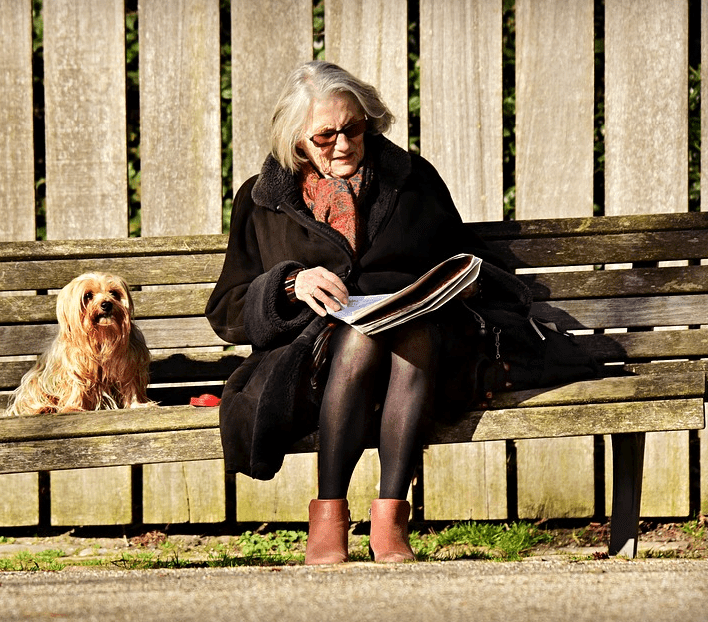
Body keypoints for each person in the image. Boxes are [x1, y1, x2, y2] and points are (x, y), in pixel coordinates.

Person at [205, 60, 509, 564]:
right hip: (313, 363)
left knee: (409, 335)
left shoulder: (413, 180)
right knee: (361, 338)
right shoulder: (262, 199)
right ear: (297, 138)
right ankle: (330, 516)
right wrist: (289, 284)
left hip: (430, 347)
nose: (343, 144)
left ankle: (389, 520)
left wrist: (455, 283)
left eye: (354, 129)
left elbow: (468, 256)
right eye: (326, 136)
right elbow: (227, 309)